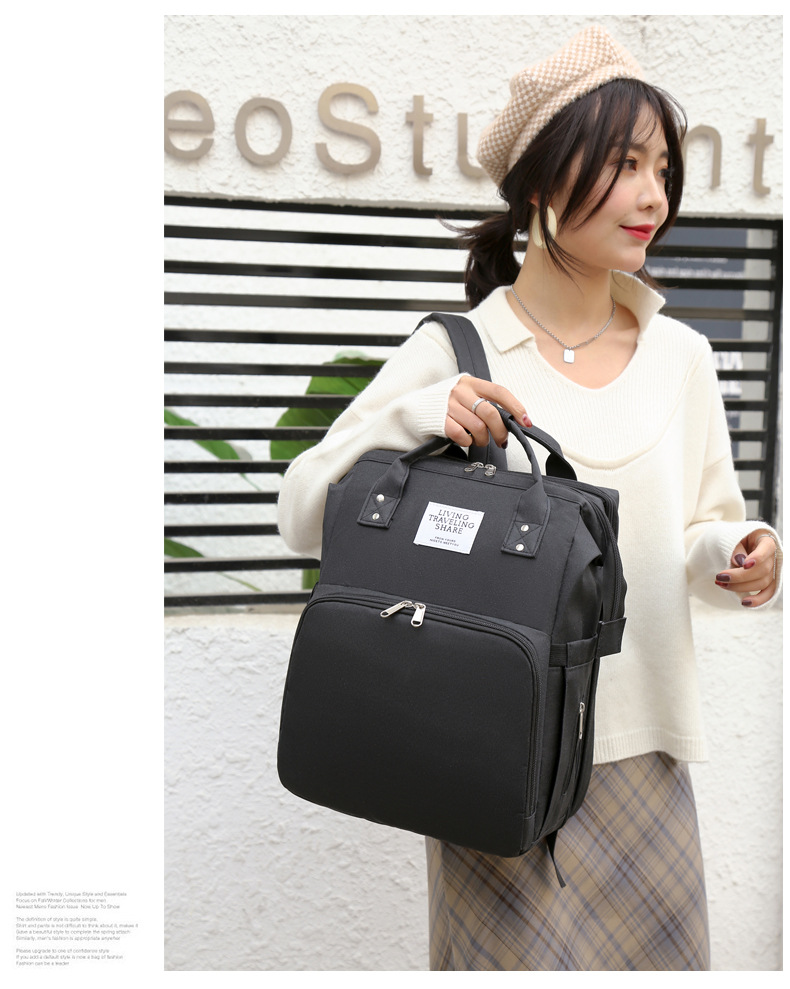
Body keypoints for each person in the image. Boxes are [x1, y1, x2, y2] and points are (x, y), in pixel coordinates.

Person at [277, 25, 782, 971]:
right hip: (492, 770)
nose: (654, 196)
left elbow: (702, 532)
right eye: (625, 164)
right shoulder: (457, 352)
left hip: (645, 767)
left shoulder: (683, 357)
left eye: (663, 168)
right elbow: (302, 508)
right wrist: (417, 415)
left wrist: (743, 552)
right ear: (544, 183)